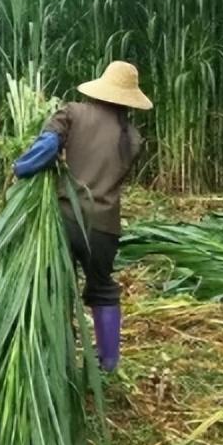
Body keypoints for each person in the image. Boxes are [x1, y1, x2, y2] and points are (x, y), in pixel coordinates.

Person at [12, 61, 152, 371]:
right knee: (103, 289)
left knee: (59, 287)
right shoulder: (132, 137)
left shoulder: (73, 113)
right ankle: (108, 363)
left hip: (65, 219)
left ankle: (59, 359)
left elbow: (46, 148)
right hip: (104, 228)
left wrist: (19, 169)